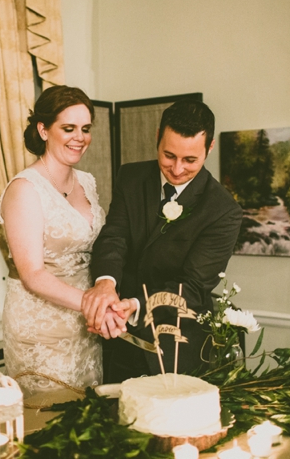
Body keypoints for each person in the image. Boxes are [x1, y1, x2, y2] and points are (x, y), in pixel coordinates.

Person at [82, 99, 243, 384]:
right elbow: (114, 236)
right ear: (157, 137)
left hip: (175, 348)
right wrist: (105, 283)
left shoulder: (223, 210)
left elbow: (192, 286)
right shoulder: (130, 177)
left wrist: (134, 304)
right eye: (169, 155)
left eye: (190, 160)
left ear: (210, 147)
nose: (177, 169)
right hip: (117, 338)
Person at [0, 85, 133, 398]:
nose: (79, 137)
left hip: (86, 327)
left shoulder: (87, 181)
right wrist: (95, 307)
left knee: (87, 417)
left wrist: (103, 301)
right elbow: (32, 274)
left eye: (85, 129)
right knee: (50, 423)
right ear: (44, 130)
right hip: (41, 328)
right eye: (68, 128)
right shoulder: (25, 189)